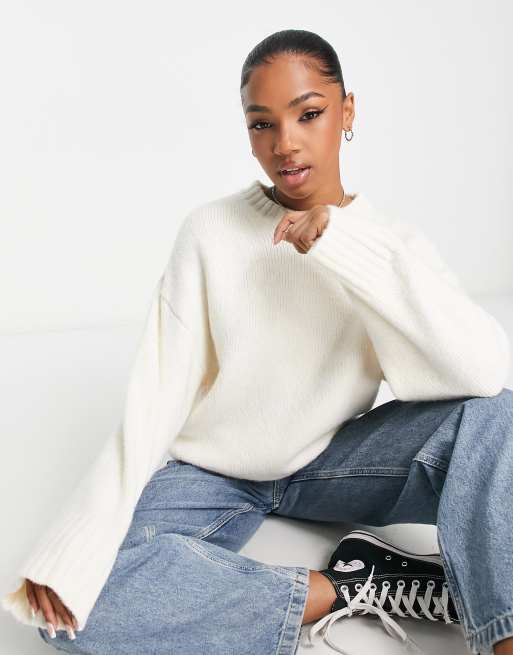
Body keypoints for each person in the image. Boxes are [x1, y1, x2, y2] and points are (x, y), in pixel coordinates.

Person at [3, 28, 513, 655]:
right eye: (262, 124)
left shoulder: (387, 245)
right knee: (68, 609)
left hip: (333, 458)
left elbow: (480, 373)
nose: (285, 143)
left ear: (347, 112)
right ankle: (355, 583)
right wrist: (76, 538)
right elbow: (154, 398)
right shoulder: (211, 230)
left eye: (309, 114)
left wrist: (341, 243)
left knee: (499, 416)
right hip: (212, 474)